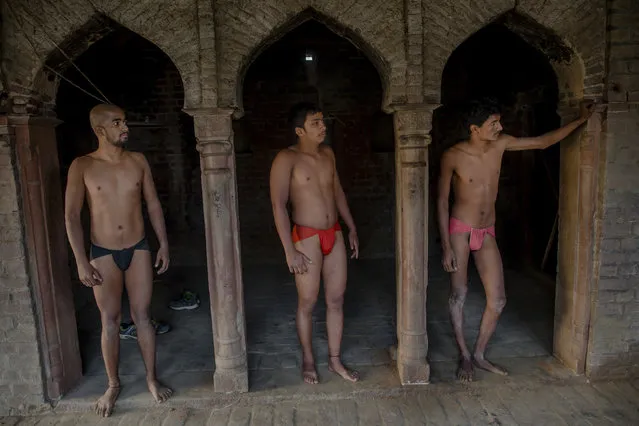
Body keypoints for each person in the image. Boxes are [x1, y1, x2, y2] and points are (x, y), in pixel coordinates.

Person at [437, 98, 594, 382]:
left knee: (497, 299)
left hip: (487, 231)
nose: (500, 127)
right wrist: (446, 245)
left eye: (499, 121)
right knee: (458, 294)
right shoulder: (453, 155)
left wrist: (580, 120)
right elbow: (441, 200)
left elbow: (543, 142)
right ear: (475, 129)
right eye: (493, 123)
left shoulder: (501, 144)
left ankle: (480, 354)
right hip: (460, 230)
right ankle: (464, 355)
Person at [64, 104, 173, 417]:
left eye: (125, 120)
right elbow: (71, 216)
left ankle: (151, 378)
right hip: (103, 253)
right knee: (109, 320)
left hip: (138, 248)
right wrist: (81, 260)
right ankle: (113, 384)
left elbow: (152, 204)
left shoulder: (137, 161)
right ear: (101, 130)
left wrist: (163, 243)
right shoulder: (82, 166)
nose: (125, 127)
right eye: (117, 122)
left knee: (142, 315)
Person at [269, 102, 360, 384]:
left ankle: (334, 360)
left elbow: (339, 193)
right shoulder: (286, 159)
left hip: (334, 232)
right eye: (316, 123)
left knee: (336, 298)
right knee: (308, 301)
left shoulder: (328, 154)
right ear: (299, 130)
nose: (323, 127)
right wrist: (288, 250)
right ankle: (309, 359)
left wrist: (352, 228)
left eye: (323, 121)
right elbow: (278, 205)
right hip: (306, 237)